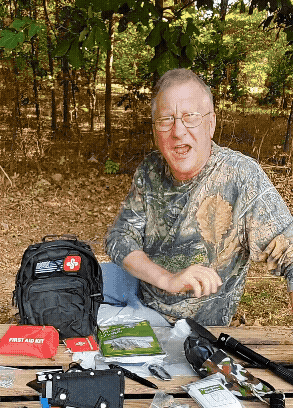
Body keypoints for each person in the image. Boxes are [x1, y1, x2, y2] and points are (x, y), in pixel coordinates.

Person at [105, 68, 293, 326]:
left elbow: (290, 253)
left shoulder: (241, 177)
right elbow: (119, 237)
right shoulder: (150, 170)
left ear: (211, 123)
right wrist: (167, 280)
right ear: (155, 129)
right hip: (137, 307)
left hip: (198, 332)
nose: (178, 131)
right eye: (165, 120)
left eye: (190, 117)